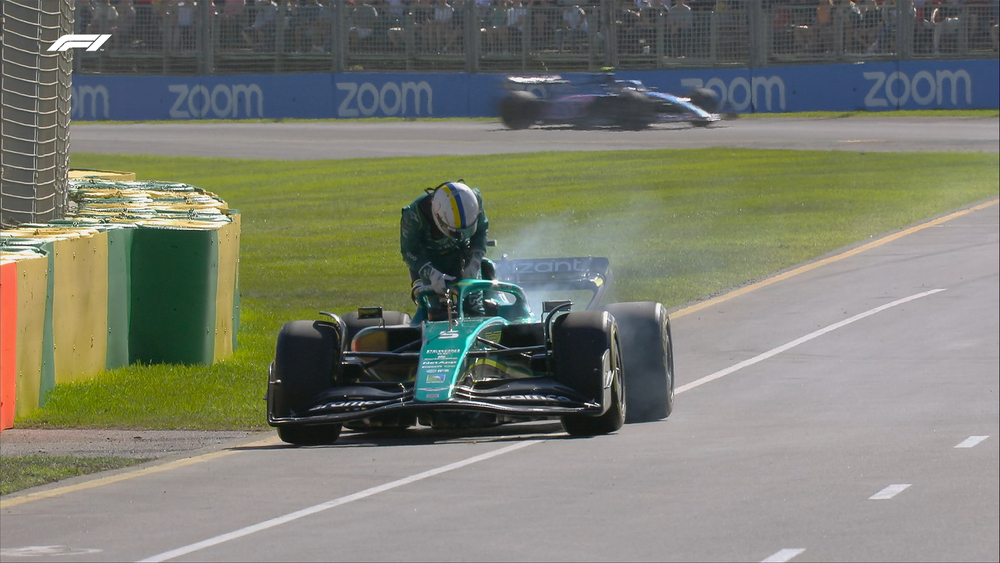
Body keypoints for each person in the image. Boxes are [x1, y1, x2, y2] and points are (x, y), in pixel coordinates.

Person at [400, 181, 489, 314]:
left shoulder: (475, 201)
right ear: (438, 217)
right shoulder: (414, 215)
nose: (461, 235)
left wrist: (474, 261)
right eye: (456, 232)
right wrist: (430, 272)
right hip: (429, 261)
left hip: (462, 256)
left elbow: (481, 232)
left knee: (475, 308)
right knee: (435, 312)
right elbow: (408, 251)